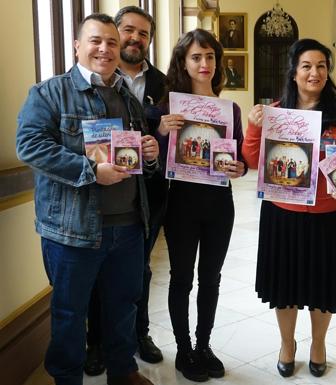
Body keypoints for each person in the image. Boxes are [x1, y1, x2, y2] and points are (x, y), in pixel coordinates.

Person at [16, 13, 159, 385]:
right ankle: (66, 378)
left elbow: (136, 156)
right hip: (72, 231)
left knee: (123, 306)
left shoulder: (128, 96)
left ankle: (123, 370)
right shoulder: (49, 93)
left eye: (112, 42)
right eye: (95, 40)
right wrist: (91, 171)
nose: (105, 48)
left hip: (127, 225)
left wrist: (150, 151)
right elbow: (29, 146)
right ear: (77, 46)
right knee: (68, 312)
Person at [242, 38, 336, 378]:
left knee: (322, 288)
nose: (315, 73)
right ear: (294, 72)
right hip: (282, 214)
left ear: (328, 72)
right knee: (283, 287)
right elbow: (254, 159)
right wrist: (255, 126)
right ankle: (287, 344)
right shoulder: (276, 110)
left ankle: (318, 343)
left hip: (328, 215)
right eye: (307, 66)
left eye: (321, 66)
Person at [155, 28, 247, 383]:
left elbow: (237, 156)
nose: (204, 63)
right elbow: (157, 161)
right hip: (181, 201)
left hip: (219, 201)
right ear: (183, 62)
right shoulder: (168, 109)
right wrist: (163, 132)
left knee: (211, 278)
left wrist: (240, 167)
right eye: (196, 57)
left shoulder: (230, 109)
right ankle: (183, 349)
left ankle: (204, 345)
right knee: (181, 277)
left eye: (210, 57)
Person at [83, 6, 167, 376]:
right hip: (97, 194)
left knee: (138, 273)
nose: (135, 38)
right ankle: (96, 343)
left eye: (143, 33)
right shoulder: (98, 79)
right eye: (128, 31)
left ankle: (139, 335)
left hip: (147, 196)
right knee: (98, 275)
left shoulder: (165, 83)